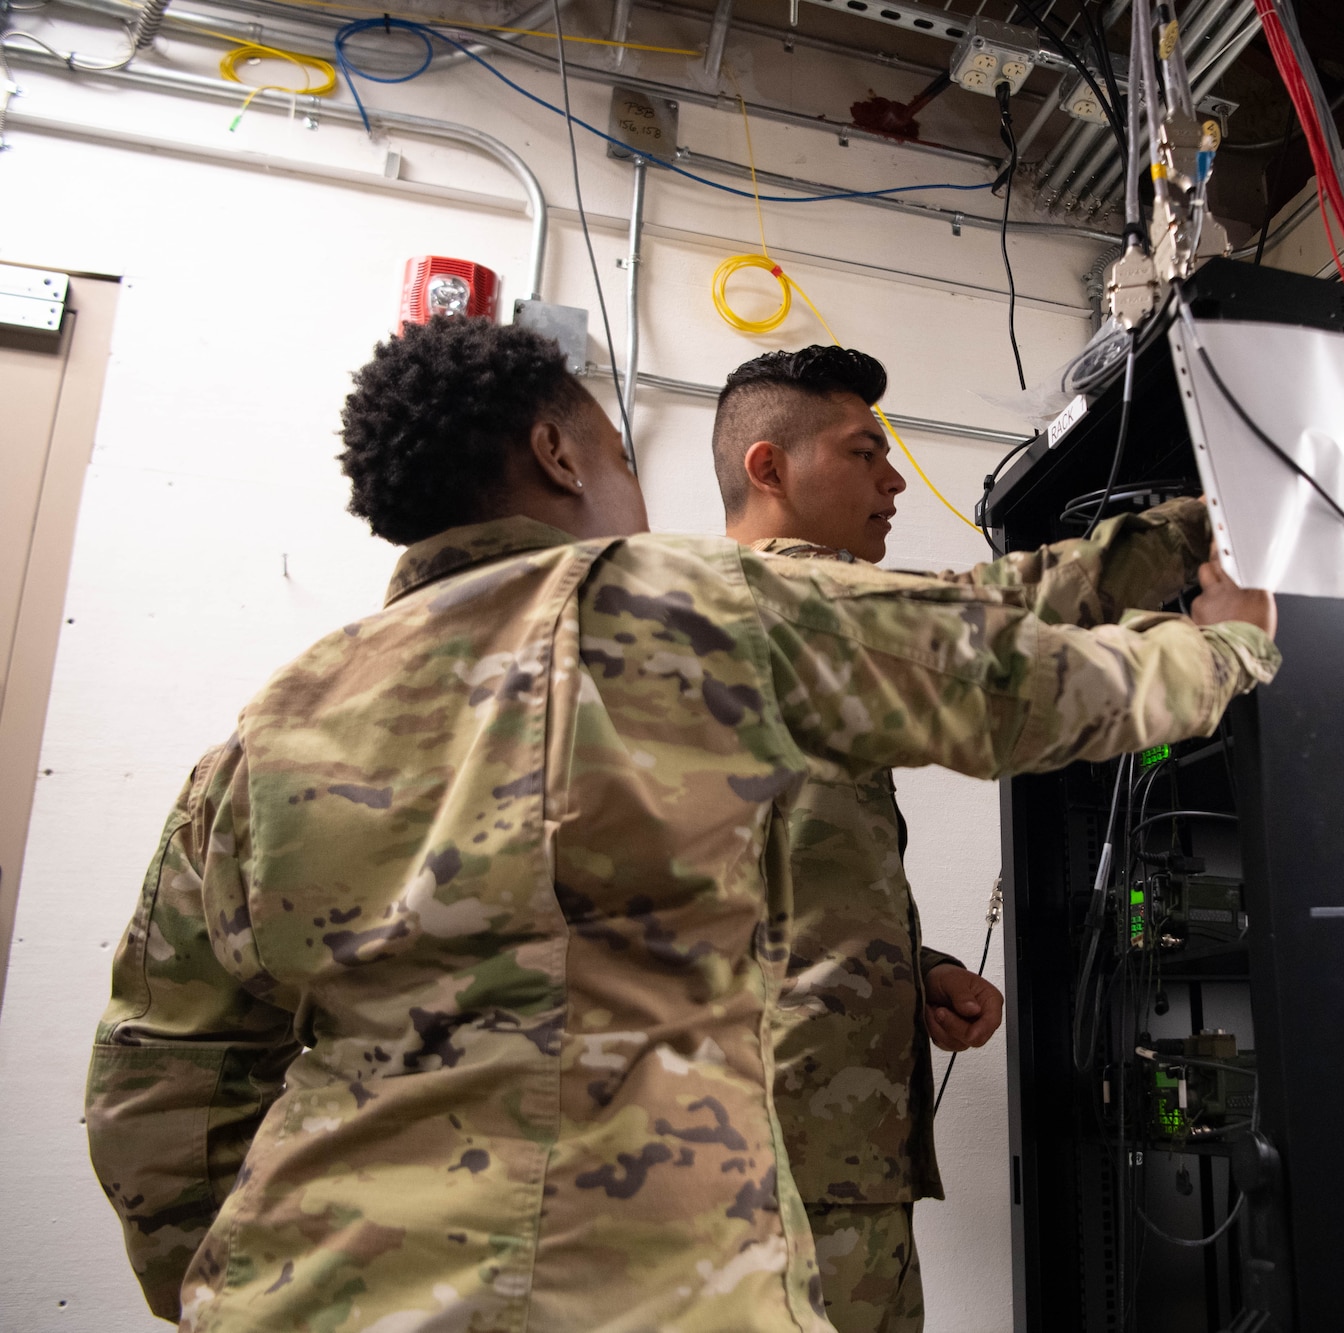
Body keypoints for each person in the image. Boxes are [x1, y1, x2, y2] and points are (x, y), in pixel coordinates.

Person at [84, 318, 1279, 1333]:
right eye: (615, 450)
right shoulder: (681, 605)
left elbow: (157, 1078)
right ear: (556, 452)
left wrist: (230, 1281)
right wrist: (1226, 640)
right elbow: (1020, 680)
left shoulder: (273, 722)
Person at [711, 346, 1216, 1332]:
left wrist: (917, 962)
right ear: (768, 467)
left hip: (801, 1153)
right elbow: (1000, 620)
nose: (893, 479)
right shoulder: (786, 606)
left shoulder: (732, 628)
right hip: (795, 1164)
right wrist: (1228, 538)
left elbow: (769, 885)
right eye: (864, 453)